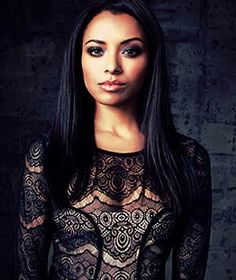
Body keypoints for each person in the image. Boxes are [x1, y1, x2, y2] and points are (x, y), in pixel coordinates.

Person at [17, 0, 212, 279]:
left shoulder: (189, 158)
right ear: (78, 59)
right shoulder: (47, 153)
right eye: (96, 50)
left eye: (130, 51)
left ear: (151, 60)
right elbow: (28, 272)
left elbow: (190, 274)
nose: (112, 67)